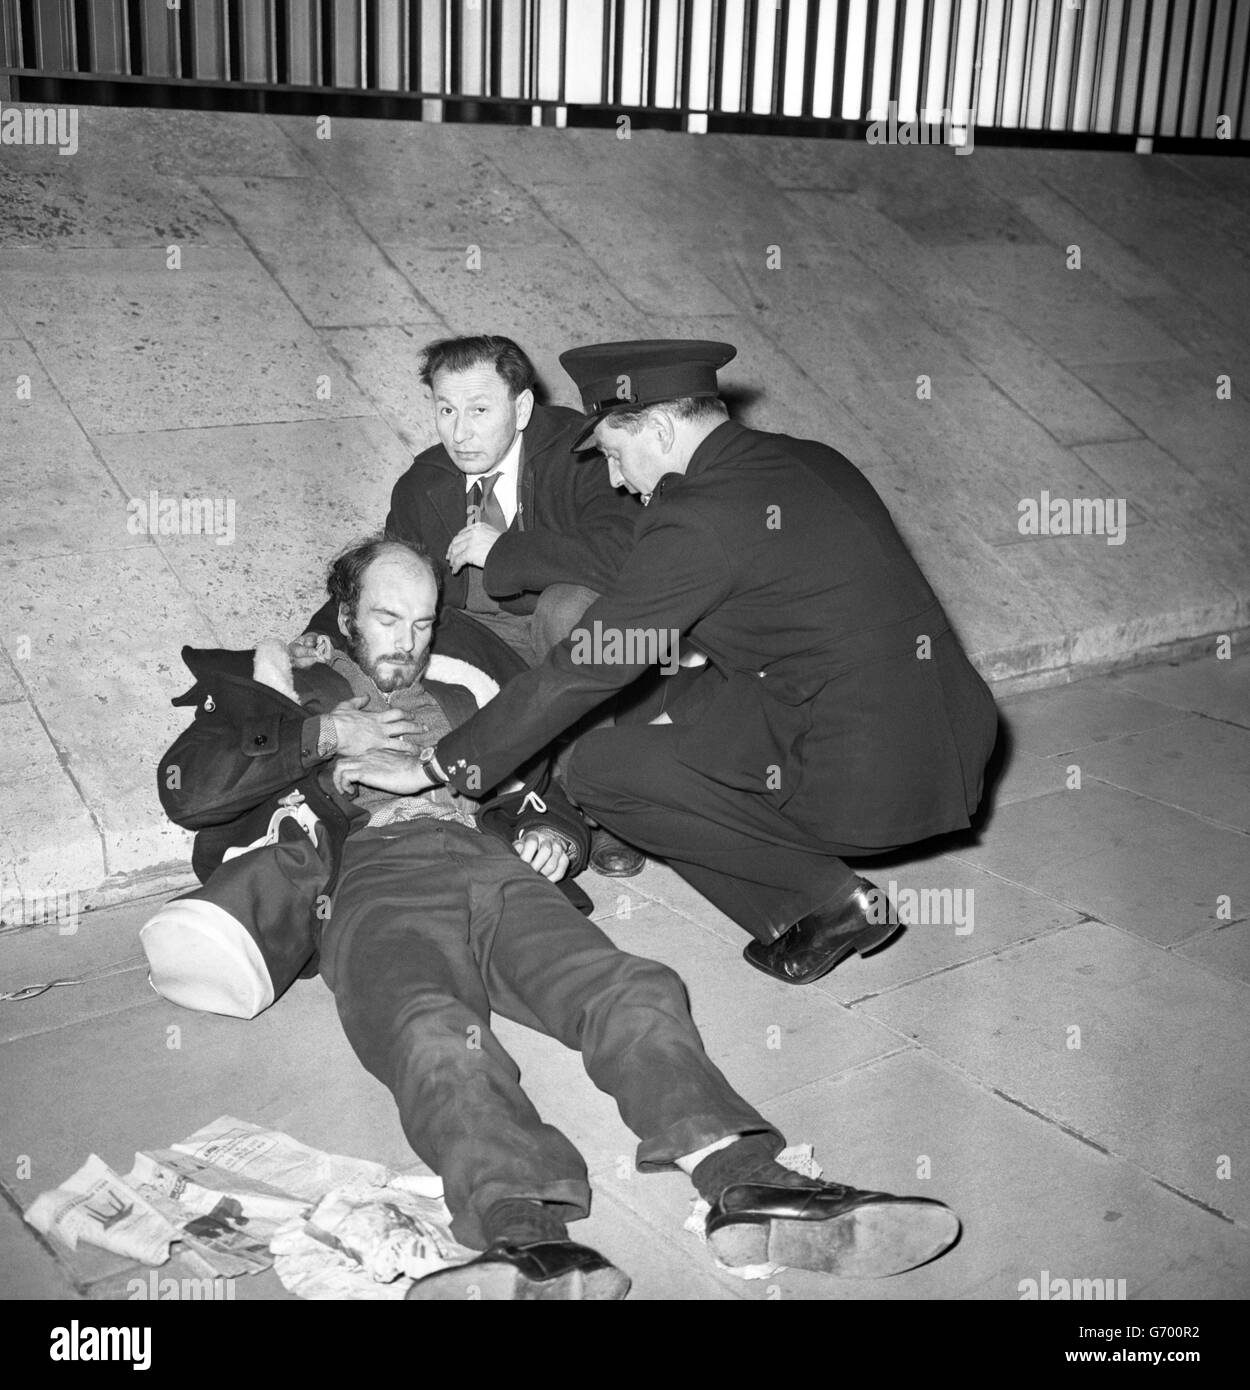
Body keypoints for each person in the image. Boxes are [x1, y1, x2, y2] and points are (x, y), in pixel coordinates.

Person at [151, 536, 962, 1300]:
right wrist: (331, 736)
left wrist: (554, 831)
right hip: (368, 881)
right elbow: (190, 787)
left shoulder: (463, 680)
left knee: (631, 987)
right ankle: (525, 1235)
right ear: (344, 612)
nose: (409, 640)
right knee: (432, 1033)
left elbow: (547, 773)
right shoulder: (285, 689)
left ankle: (745, 1182)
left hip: (493, 867)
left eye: (425, 620)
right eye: (387, 619)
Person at [393, 340, 1000, 986]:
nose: (620, 481)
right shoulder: (809, 458)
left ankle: (826, 900)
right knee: (682, 703)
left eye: (618, 457)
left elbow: (583, 669)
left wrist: (440, 762)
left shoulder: (696, 518)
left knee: (601, 769)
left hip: (872, 781)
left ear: (658, 428)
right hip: (954, 734)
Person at [299, 333, 646, 877]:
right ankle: (527, 811)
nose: (460, 433)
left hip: (584, 632)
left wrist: (509, 552)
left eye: (480, 410)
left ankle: (608, 811)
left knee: (565, 608)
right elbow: (385, 579)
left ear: (523, 406)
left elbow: (628, 555)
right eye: (445, 409)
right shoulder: (423, 484)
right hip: (480, 641)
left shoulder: (581, 453)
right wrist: (317, 635)